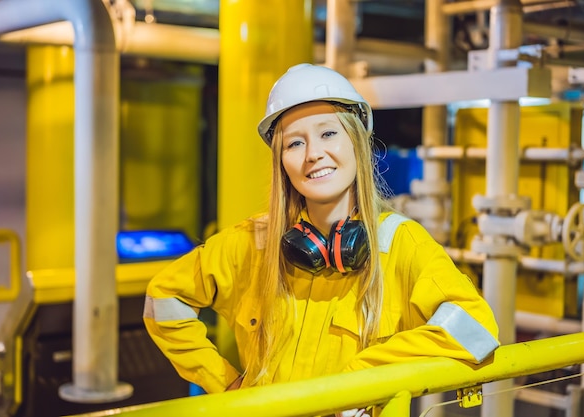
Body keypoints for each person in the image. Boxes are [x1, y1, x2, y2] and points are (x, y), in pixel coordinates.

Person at [143, 63, 500, 412]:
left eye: (328, 133)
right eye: (294, 143)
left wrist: (360, 377)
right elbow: (164, 300)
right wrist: (226, 384)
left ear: (356, 141)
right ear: (281, 160)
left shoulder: (399, 244)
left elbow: (476, 327)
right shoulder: (254, 243)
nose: (313, 154)